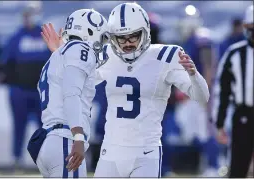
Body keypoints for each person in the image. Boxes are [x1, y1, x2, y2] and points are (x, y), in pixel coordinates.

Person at [42, 2, 209, 177]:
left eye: (133, 36)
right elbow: (76, 78)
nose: (127, 43)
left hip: (146, 153)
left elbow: (202, 96)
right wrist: (61, 54)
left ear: (145, 32)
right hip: (110, 152)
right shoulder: (107, 56)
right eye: (121, 38)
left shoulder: (165, 56)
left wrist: (193, 75)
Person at [27, 9, 108, 178]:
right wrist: (78, 137)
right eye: (102, 37)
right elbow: (71, 95)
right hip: (65, 138)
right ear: (90, 32)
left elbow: (88, 79)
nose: (102, 43)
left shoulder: (58, 55)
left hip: (50, 139)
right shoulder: (80, 49)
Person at [0, 2, 51, 168]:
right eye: (28, 13)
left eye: (33, 13)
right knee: (19, 125)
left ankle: (46, 159)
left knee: (45, 126)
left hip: (41, 92)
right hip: (19, 90)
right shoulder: (16, 37)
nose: (30, 17)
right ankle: (17, 158)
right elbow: (5, 63)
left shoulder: (46, 38)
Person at [175, 8, 220, 176]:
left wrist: (205, 91)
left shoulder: (202, 38)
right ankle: (207, 164)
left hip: (204, 92)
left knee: (207, 130)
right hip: (193, 93)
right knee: (195, 131)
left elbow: (208, 66)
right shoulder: (189, 40)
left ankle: (214, 166)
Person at [213, 5, 254, 178]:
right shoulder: (234, 53)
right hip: (243, 114)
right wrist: (220, 123)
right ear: (246, 27)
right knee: (238, 167)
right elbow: (222, 90)